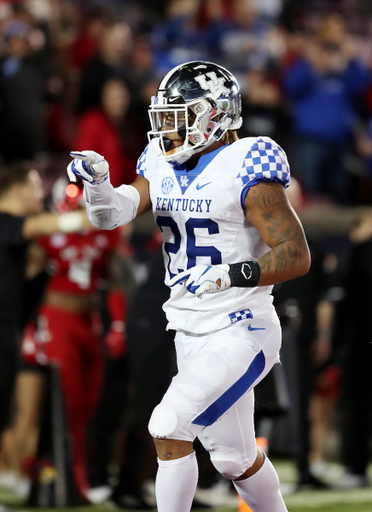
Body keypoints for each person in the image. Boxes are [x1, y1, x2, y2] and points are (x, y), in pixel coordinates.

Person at [67, 60, 311, 512]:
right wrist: (100, 185)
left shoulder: (246, 162)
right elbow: (110, 215)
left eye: (178, 116)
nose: (167, 128)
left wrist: (232, 273)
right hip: (188, 328)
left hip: (242, 326)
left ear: (212, 115)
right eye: (163, 116)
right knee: (234, 457)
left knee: (168, 424)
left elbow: (296, 254)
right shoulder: (160, 160)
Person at [0, 161, 93, 443]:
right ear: (18, 190)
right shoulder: (7, 222)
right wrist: (82, 220)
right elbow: (37, 226)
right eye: (35, 186)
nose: (41, 193)